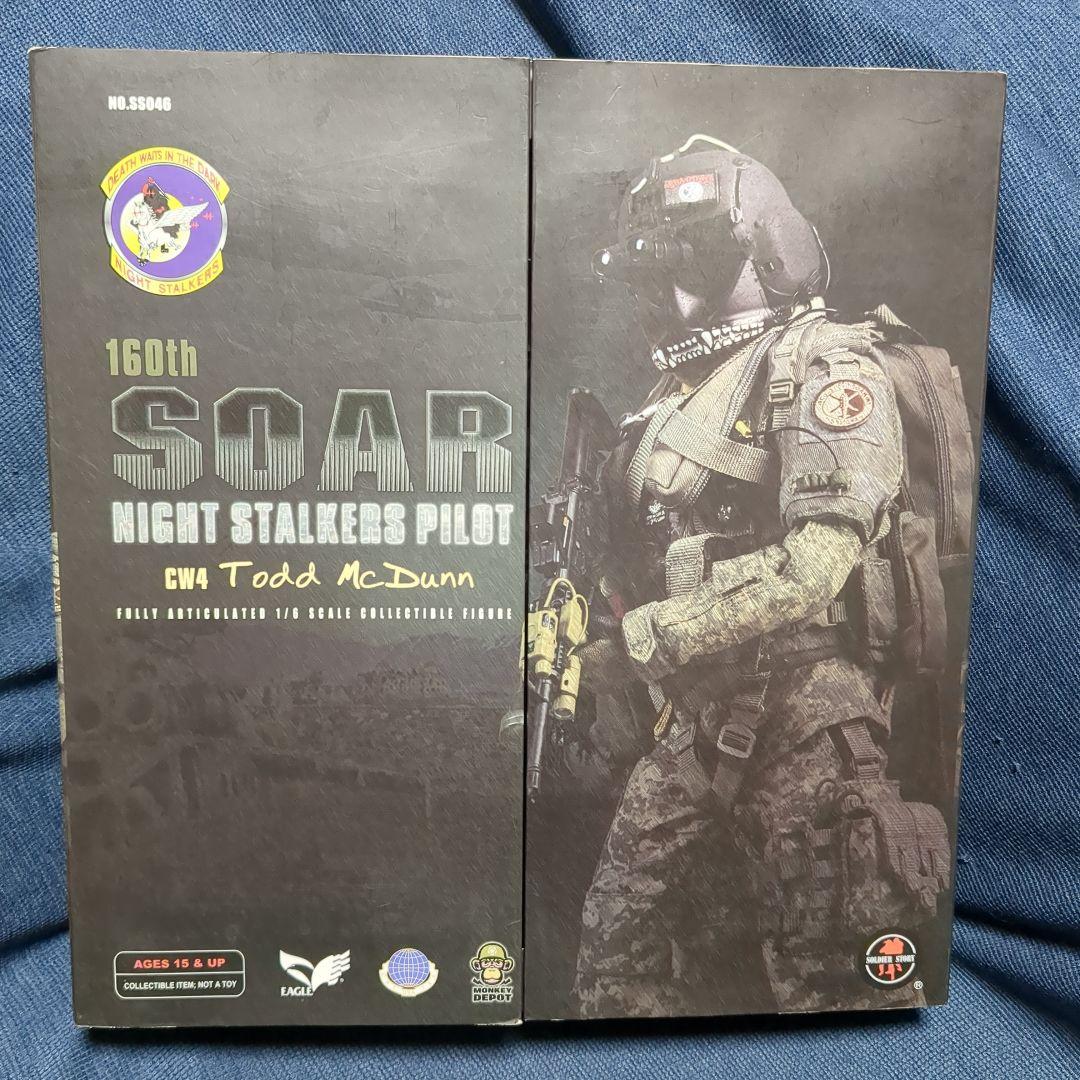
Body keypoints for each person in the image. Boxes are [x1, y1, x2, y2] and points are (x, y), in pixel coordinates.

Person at [571, 135, 952, 1017]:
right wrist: (583, 656)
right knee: (615, 969)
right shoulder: (671, 401)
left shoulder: (824, 367)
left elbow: (815, 568)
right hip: (691, 722)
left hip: (810, 721)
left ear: (767, 252)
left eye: (695, 267)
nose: (671, 299)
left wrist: (643, 641)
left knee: (838, 989)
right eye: (654, 276)